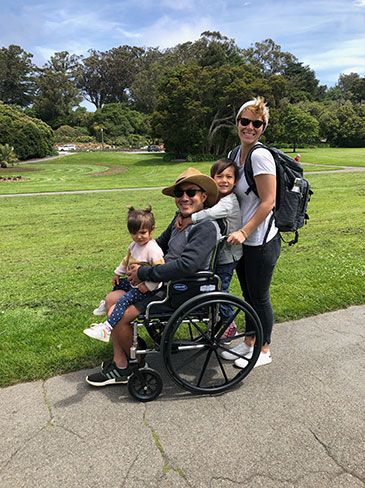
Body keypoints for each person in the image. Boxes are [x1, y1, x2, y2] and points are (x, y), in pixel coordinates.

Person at [86, 167, 221, 387]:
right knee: (111, 300)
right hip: (162, 283)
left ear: (203, 196)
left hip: (180, 290)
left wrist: (144, 272)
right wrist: (135, 260)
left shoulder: (205, 227)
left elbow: (187, 266)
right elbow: (156, 244)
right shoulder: (179, 222)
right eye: (179, 193)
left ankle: (132, 364)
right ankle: (122, 363)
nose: (184, 198)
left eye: (191, 192)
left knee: (117, 315)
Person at [221, 97, 281, 368]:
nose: (250, 127)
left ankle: (264, 350)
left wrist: (244, 232)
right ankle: (249, 343)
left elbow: (268, 202)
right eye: (245, 121)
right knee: (248, 295)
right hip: (242, 238)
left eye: (257, 123)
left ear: (262, 127)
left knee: (259, 296)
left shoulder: (260, 155)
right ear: (237, 123)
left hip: (260, 240)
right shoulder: (235, 154)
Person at [175, 158, 242, 340]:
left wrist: (190, 218)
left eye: (229, 177)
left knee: (220, 290)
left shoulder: (229, 202)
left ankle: (229, 323)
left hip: (228, 255)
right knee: (212, 288)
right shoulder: (219, 199)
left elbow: (210, 213)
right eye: (219, 176)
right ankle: (217, 320)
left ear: (235, 181)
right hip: (219, 254)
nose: (224, 180)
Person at [83, 205, 164, 343]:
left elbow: (160, 271)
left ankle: (106, 329)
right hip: (135, 282)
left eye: (143, 232)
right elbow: (126, 260)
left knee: (123, 300)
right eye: (134, 233)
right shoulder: (134, 245)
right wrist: (118, 273)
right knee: (119, 284)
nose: (138, 237)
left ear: (152, 230)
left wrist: (149, 286)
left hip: (147, 288)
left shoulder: (153, 250)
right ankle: (105, 306)